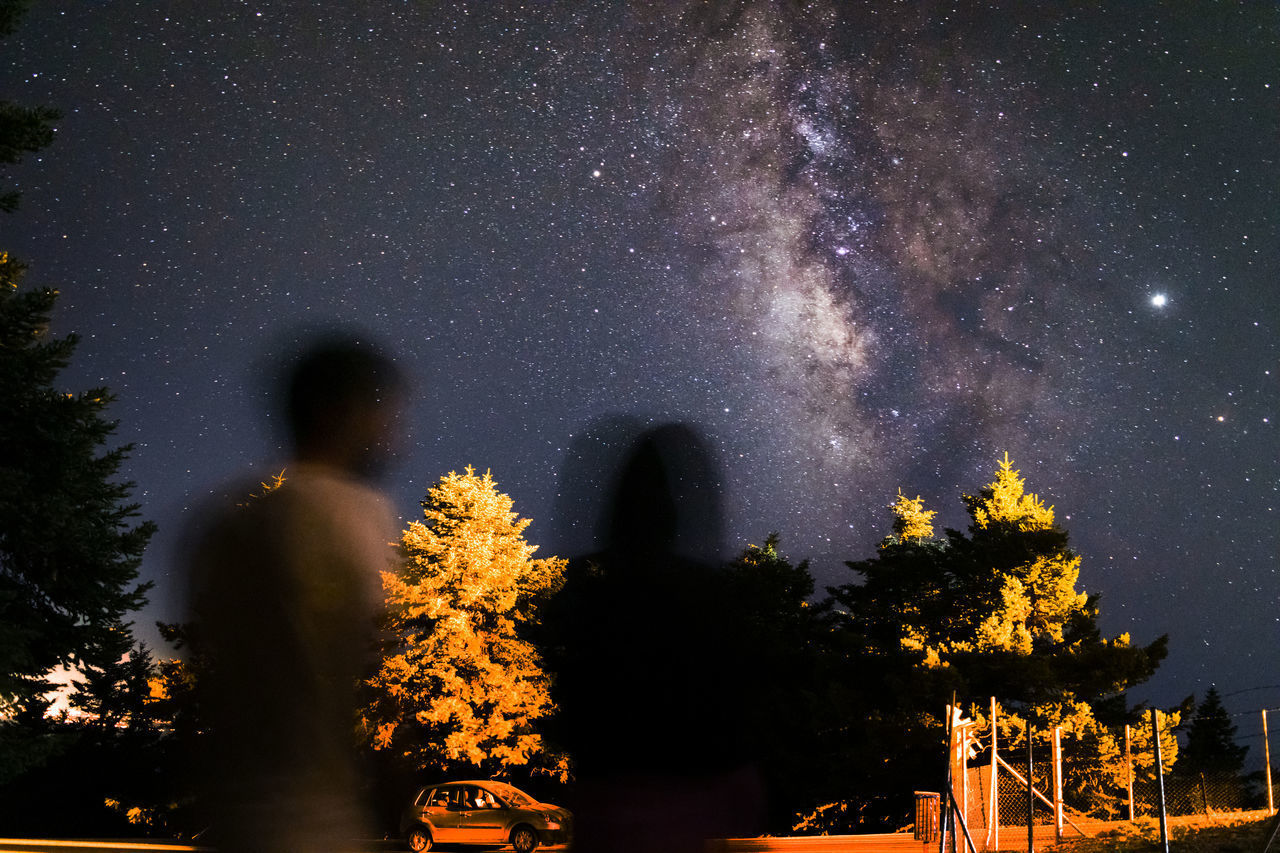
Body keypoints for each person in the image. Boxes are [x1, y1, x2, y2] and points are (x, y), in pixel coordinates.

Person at [187, 335, 405, 853]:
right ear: (341, 412)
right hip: (314, 823)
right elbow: (376, 664)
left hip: (234, 822)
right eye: (384, 414)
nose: (394, 433)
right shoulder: (355, 514)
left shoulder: (226, 520)